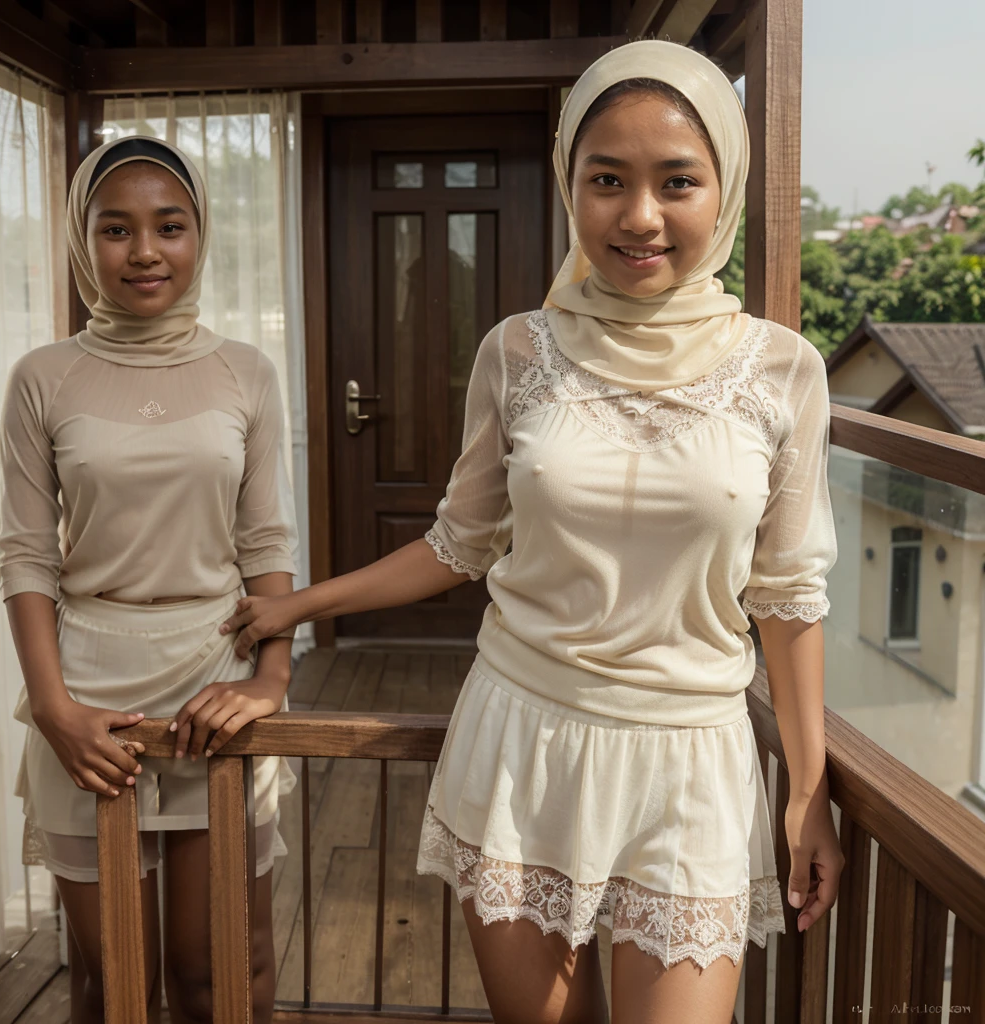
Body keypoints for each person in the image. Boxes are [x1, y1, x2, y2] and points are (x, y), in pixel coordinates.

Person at [219, 40, 844, 1024]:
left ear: (722, 189)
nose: (639, 215)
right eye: (607, 180)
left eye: (676, 180)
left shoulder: (782, 371)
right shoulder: (517, 351)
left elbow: (788, 593)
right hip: (522, 735)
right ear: (570, 188)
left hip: (688, 757)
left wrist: (808, 789)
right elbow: (455, 543)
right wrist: (300, 605)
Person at [0, 136, 298, 1024]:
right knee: (110, 980)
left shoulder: (247, 370)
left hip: (217, 685)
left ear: (200, 235)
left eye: (170, 225)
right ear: (84, 242)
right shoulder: (41, 378)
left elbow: (265, 537)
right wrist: (51, 708)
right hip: (88, 692)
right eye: (115, 228)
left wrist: (272, 681)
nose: (145, 251)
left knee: (217, 976)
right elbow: (25, 554)